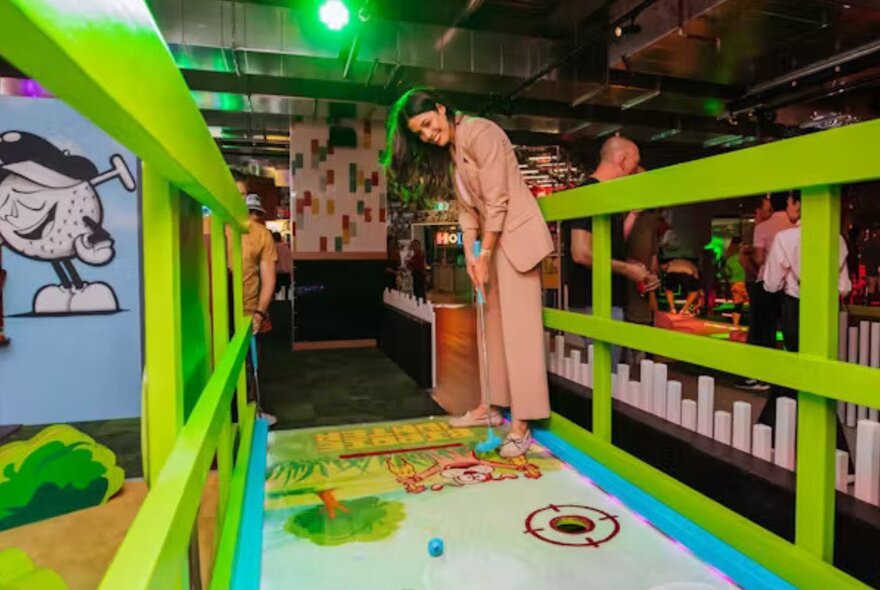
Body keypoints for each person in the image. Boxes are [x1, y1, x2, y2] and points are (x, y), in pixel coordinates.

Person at [384, 88, 553, 457]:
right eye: (419, 132)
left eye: (428, 124)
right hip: (494, 243)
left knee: (520, 334)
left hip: (516, 241)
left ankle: (522, 423)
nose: (427, 134)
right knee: (491, 329)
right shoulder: (452, 153)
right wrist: (472, 252)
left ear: (441, 108)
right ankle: (492, 407)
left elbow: (497, 199)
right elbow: (466, 209)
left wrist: (485, 252)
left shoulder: (480, 132)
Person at [760, 192, 852, 457]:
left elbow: (771, 284)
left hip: (795, 307)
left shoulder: (786, 238)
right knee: (816, 372)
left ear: (799, 205)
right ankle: (831, 447)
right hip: (825, 309)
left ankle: (774, 434)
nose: (788, 207)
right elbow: (844, 286)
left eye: (790, 203)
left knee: (795, 369)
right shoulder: (837, 239)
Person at [562, 138, 660, 367]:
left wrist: (636, 269)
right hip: (595, 300)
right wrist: (628, 270)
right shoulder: (590, 194)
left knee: (605, 373)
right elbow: (581, 253)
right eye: (635, 164)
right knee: (606, 375)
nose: (636, 171)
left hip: (603, 299)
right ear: (622, 160)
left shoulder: (606, 198)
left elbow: (605, 249)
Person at [230, 171, 278, 425]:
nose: (238, 201)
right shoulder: (203, 227)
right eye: (233, 194)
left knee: (249, 366)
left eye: (242, 195)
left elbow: (269, 278)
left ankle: (251, 413)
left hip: (247, 312)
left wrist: (259, 312)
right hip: (211, 312)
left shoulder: (260, 234)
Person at [737, 192, 796, 391]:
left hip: (767, 283)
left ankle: (760, 376)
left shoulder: (762, 227)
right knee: (789, 331)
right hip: (791, 287)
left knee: (762, 330)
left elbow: (760, 258)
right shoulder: (796, 227)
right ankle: (788, 376)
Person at [723, 237, 748, 327]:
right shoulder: (746, 257)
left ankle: (735, 325)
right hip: (746, 282)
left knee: (738, 305)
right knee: (754, 304)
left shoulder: (730, 259)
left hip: (735, 284)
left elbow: (727, 273)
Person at [273, 232, 293, 300]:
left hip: (277, 272)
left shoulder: (274, 248)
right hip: (287, 272)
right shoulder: (286, 247)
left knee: (275, 293)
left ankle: (276, 303)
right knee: (286, 292)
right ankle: (286, 302)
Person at [862, 229, 880, 305]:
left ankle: (868, 301)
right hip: (875, 268)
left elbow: (864, 256)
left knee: (870, 286)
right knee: (874, 284)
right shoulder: (877, 245)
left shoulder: (867, 244)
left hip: (869, 268)